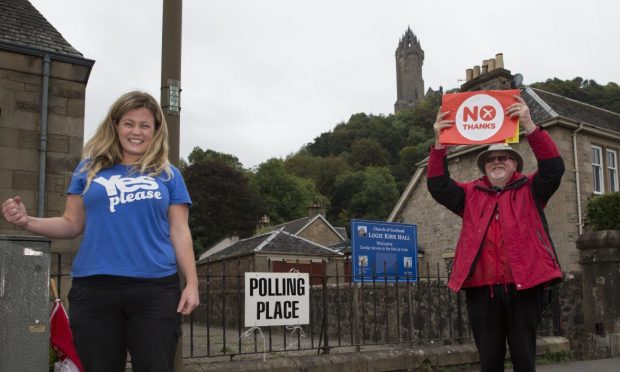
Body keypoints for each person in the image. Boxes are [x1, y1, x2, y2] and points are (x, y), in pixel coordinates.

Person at [2, 91, 199, 372]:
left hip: (154, 291)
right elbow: (71, 223)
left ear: (155, 131)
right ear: (116, 125)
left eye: (145, 125)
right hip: (94, 290)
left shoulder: (168, 175)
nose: (136, 131)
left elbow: (180, 231)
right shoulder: (88, 170)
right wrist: (26, 221)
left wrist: (191, 283)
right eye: (129, 123)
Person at [427, 95, 564, 372]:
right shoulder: (470, 193)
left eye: (504, 158)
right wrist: (440, 144)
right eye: (491, 159)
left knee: (525, 360)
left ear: (515, 164)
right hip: (481, 290)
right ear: (484, 166)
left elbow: (554, 169)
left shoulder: (531, 188)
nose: (497, 162)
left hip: (524, 287)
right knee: (489, 362)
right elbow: (438, 186)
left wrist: (529, 125)